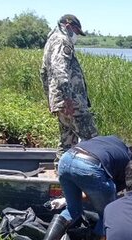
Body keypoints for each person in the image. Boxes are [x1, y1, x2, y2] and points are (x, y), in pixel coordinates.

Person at [36, 135, 132, 240]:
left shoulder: (112, 141)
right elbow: (110, 193)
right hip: (89, 167)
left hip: (66, 160)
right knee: (108, 214)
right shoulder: (128, 161)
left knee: (72, 209)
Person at [40, 14, 98, 154]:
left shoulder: (51, 41)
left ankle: (61, 170)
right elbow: (59, 69)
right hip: (71, 101)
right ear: (68, 26)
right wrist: (68, 99)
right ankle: (96, 173)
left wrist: (52, 99)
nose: (76, 35)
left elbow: (43, 73)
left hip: (60, 100)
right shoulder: (62, 41)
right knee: (92, 140)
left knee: (67, 140)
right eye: (76, 31)